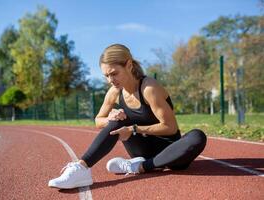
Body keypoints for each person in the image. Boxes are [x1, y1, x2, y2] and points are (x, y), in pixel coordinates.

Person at [48, 44, 207, 189]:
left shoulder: (149, 88)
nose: (110, 80)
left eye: (114, 73)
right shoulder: (114, 92)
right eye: (106, 76)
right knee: (117, 120)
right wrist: (112, 117)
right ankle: (81, 168)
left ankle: (140, 167)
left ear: (129, 65)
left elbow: (170, 127)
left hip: (170, 152)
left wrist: (134, 129)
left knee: (197, 136)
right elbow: (98, 120)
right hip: (140, 150)